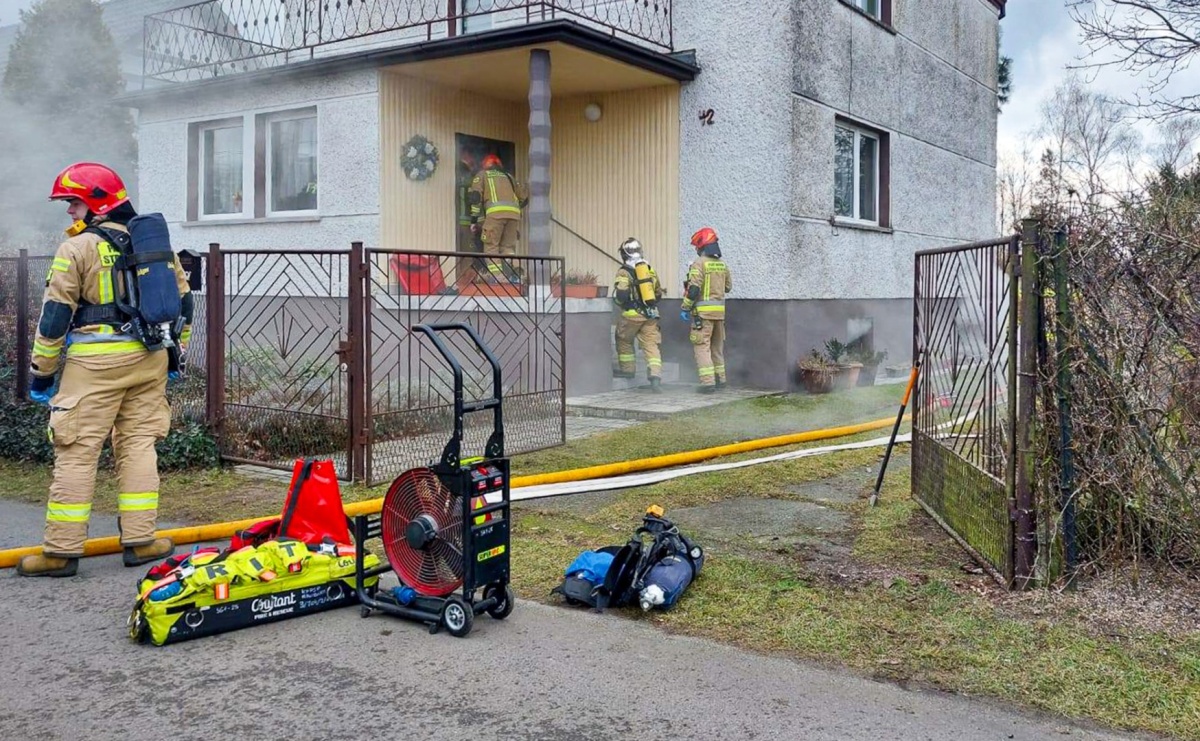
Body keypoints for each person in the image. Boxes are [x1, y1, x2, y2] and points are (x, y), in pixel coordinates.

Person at [17, 162, 193, 578]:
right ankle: (142, 540)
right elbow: (185, 304)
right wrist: (173, 356)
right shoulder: (155, 245)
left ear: (97, 202)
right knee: (138, 446)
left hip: (94, 365)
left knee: (77, 451)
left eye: (73, 202)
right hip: (149, 360)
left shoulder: (76, 249)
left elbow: (56, 316)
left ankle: (60, 552)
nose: (69, 211)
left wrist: (41, 373)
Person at [680, 227, 732, 394]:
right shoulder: (722, 264)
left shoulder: (699, 263)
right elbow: (728, 287)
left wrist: (685, 307)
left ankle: (707, 383)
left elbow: (693, 289)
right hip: (719, 314)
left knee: (702, 347)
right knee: (717, 349)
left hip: (703, 315)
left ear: (701, 246)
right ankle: (720, 380)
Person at [612, 238, 666, 391]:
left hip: (631, 314)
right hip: (651, 314)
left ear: (624, 254)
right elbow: (658, 293)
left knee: (624, 339)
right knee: (651, 345)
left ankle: (628, 371)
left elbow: (621, 295)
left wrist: (616, 299)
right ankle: (655, 377)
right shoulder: (649, 269)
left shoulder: (624, 271)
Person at [468, 154, 528, 283]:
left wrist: (473, 220)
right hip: (513, 216)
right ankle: (517, 274)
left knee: (490, 246)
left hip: (495, 215)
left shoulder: (482, 175)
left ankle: (498, 278)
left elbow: (475, 198)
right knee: (508, 248)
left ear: (485, 165)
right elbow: (524, 197)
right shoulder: (510, 177)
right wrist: (514, 209)